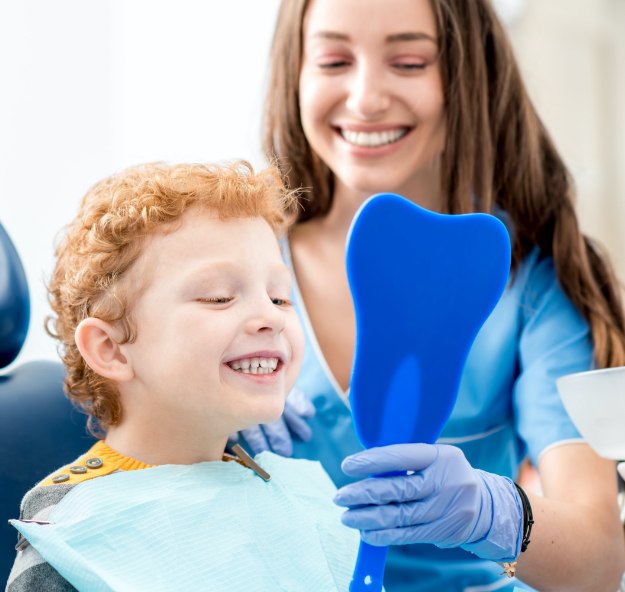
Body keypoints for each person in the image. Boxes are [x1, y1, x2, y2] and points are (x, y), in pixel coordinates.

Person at [242, 0, 625, 590]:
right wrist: (197, 422)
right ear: (296, 71)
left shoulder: (533, 284)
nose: (366, 97)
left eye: (411, 61)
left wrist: (491, 512)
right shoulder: (236, 262)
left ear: (470, 74)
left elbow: (598, 561)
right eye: (335, 59)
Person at [6, 161, 359, 591]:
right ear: (111, 349)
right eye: (219, 297)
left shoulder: (294, 494)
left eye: (280, 297)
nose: (270, 316)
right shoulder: (78, 539)